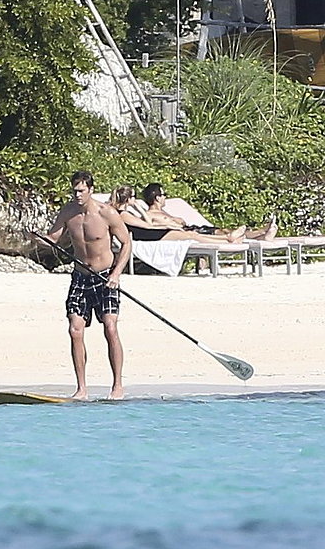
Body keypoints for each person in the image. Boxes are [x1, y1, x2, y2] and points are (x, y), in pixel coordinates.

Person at [45, 170, 132, 400]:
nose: (77, 195)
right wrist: (37, 238)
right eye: (74, 191)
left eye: (82, 191)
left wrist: (116, 274)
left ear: (91, 190)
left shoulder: (107, 213)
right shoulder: (68, 212)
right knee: (75, 330)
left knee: (110, 327)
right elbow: (52, 239)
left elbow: (126, 243)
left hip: (105, 279)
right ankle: (82, 389)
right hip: (80, 278)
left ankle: (117, 386)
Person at [110, 186, 249, 244]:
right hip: (150, 236)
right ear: (128, 199)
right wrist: (165, 226)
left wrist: (139, 209)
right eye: (134, 197)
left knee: (192, 235)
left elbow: (148, 224)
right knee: (191, 235)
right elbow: (148, 225)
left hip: (152, 234)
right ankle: (227, 239)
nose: (136, 199)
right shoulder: (124, 215)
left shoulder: (125, 213)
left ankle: (227, 239)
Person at [139, 183, 276, 241]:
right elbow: (150, 226)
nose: (166, 197)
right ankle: (260, 233)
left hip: (192, 228)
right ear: (157, 197)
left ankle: (262, 234)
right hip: (186, 233)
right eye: (164, 194)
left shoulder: (165, 212)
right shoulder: (151, 214)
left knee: (224, 230)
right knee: (225, 233)